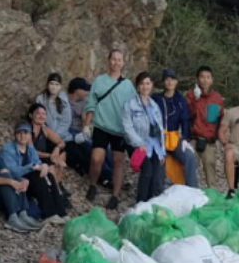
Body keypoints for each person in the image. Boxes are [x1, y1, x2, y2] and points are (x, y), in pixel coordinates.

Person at [83, 49, 137, 209]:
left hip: (119, 130)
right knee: (96, 158)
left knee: (118, 162)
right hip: (101, 125)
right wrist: (86, 124)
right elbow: (91, 104)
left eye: (119, 60)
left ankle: (115, 195)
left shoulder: (128, 85)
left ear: (123, 62)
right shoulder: (99, 81)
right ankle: (93, 184)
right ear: (109, 61)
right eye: (113, 59)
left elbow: (134, 108)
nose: (116, 62)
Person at [0, 123, 67, 224]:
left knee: (50, 176)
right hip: (17, 181)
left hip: (30, 179)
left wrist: (43, 166)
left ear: (30, 135)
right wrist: (32, 167)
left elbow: (37, 163)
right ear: (15, 135)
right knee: (36, 178)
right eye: (19, 133)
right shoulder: (8, 149)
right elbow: (13, 170)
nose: (22, 136)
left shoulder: (30, 149)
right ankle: (49, 214)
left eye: (26, 133)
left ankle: (61, 213)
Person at [123, 72, 166, 203]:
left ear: (151, 85)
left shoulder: (154, 105)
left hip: (154, 145)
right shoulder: (130, 104)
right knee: (147, 170)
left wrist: (162, 151)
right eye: (142, 84)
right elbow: (127, 127)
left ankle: (150, 204)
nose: (145, 87)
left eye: (147, 83)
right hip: (137, 144)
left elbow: (160, 129)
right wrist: (138, 143)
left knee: (156, 174)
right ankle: (140, 202)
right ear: (137, 86)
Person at [152, 68, 199, 187]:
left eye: (172, 79)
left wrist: (184, 138)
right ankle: (157, 193)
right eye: (167, 79)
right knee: (159, 162)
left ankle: (192, 189)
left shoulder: (180, 100)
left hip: (173, 137)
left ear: (176, 82)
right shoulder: (156, 98)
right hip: (158, 137)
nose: (169, 82)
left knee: (189, 157)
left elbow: (185, 120)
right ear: (163, 82)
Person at [186, 65, 224, 188]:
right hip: (193, 139)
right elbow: (187, 114)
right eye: (202, 77)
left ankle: (212, 197)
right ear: (197, 79)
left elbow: (220, 118)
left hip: (209, 141)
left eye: (208, 77)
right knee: (190, 169)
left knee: (210, 167)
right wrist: (195, 100)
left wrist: (217, 138)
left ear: (212, 80)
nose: (205, 80)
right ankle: (190, 194)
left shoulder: (217, 98)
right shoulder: (191, 95)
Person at [27, 103, 68, 185]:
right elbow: (32, 152)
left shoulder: (45, 130)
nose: (41, 116)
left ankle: (58, 184)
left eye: (44, 114)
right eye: (38, 113)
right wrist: (51, 156)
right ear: (31, 115)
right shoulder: (27, 130)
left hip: (44, 156)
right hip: (32, 158)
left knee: (62, 151)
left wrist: (57, 149)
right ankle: (55, 188)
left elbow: (61, 142)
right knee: (52, 163)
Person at [35, 73, 72, 140]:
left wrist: (56, 135)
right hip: (45, 135)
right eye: (51, 84)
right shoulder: (40, 99)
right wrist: (49, 134)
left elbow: (66, 121)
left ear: (60, 86)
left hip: (62, 136)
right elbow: (39, 119)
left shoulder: (64, 101)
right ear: (47, 85)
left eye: (57, 84)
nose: (54, 87)